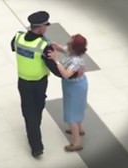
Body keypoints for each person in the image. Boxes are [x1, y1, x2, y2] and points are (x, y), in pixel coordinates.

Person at [10, 11, 77, 158]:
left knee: (28, 112)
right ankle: (36, 147)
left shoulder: (18, 37)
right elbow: (54, 69)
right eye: (45, 26)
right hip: (39, 83)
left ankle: (32, 130)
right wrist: (67, 73)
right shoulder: (43, 45)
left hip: (23, 82)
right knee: (36, 110)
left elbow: (13, 47)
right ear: (40, 28)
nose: (46, 28)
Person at [48, 34, 88, 151]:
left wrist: (56, 61)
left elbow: (66, 74)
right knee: (76, 109)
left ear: (74, 47)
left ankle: (76, 143)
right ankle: (79, 130)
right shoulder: (72, 51)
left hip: (75, 88)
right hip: (74, 85)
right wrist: (50, 43)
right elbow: (60, 47)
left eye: (70, 43)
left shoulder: (76, 61)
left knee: (71, 114)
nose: (67, 44)